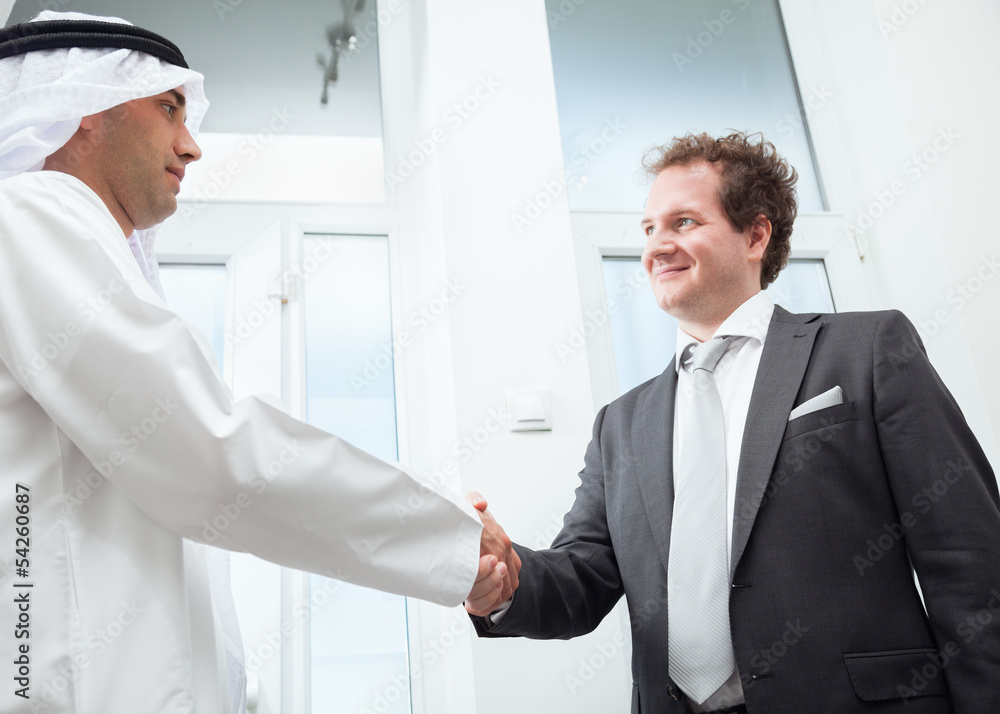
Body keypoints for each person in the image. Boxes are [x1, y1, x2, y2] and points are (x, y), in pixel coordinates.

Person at [0, 11, 516, 714]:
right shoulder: (29, 213)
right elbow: (212, 458)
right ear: (86, 104)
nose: (191, 146)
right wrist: (452, 539)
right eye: (169, 108)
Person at [469, 131, 1000, 713]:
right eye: (649, 229)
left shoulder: (866, 349)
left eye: (684, 222)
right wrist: (504, 577)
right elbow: (582, 577)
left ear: (755, 235)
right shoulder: (619, 424)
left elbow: (969, 560)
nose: (657, 246)